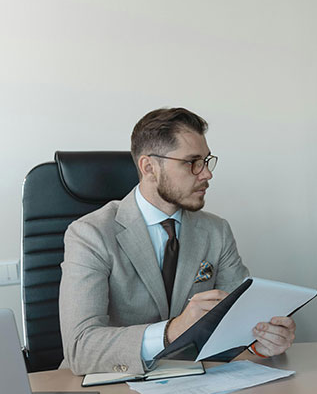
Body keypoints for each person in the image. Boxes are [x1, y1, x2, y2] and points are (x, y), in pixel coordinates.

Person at [59, 107, 296, 375]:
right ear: (149, 167)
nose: (206, 174)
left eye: (207, 161)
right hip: (114, 388)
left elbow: (239, 318)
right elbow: (79, 348)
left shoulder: (216, 231)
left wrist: (260, 341)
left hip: (194, 384)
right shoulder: (89, 234)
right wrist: (172, 330)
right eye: (192, 162)